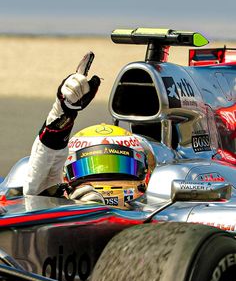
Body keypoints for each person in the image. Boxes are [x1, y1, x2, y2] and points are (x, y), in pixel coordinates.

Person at [23, 52, 155, 204]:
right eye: (86, 169)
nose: (106, 180)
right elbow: (46, 170)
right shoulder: (60, 209)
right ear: (67, 177)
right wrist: (63, 113)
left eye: (121, 167)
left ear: (144, 175)